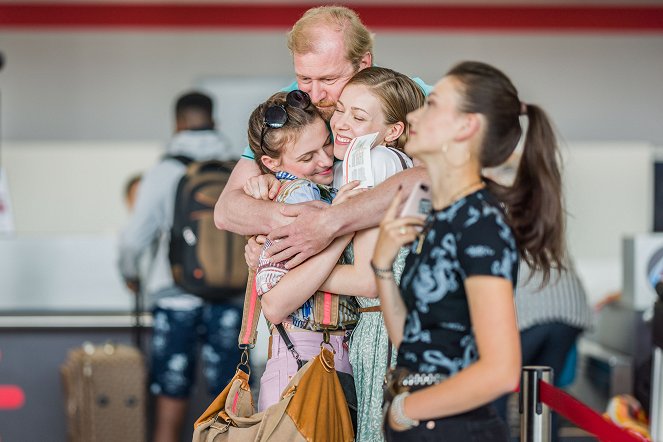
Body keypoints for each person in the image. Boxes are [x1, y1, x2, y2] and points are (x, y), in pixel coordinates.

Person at [371, 61, 566, 441]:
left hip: (454, 429)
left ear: (466, 126)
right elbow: (411, 341)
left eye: (432, 105)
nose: (414, 114)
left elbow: (501, 370)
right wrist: (382, 265)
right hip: (421, 424)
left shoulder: (480, 223)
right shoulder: (443, 216)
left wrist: (405, 409)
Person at [214, 5, 432, 269]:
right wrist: (284, 210)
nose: (315, 96)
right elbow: (226, 210)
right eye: (304, 77)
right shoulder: (294, 103)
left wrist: (329, 222)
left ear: (363, 63)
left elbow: (430, 178)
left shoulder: (411, 97)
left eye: (329, 79)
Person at [118, 91, 239, 442]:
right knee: (229, 407)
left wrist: (130, 276)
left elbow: (132, 241)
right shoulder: (237, 168)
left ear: (178, 123)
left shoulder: (164, 171)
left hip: (175, 300)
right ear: (214, 121)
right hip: (229, 299)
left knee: (170, 403)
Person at [243, 89, 361, 425]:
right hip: (304, 360)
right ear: (272, 163)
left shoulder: (313, 188)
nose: (325, 160)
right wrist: (344, 225)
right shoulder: (301, 195)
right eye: (307, 157)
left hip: (318, 359)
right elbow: (276, 304)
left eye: (326, 144)